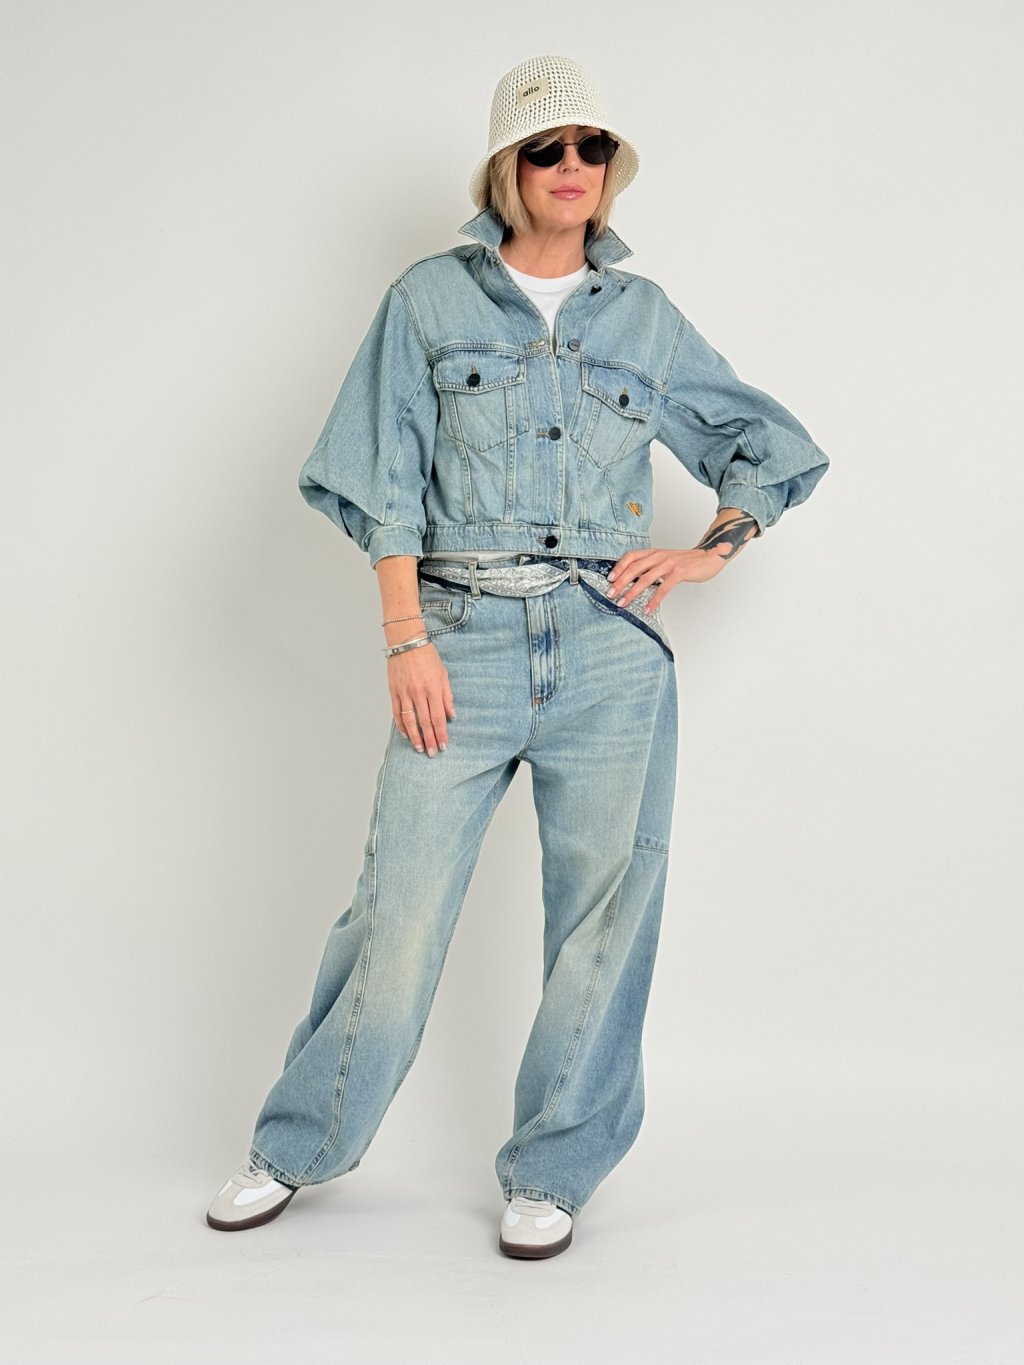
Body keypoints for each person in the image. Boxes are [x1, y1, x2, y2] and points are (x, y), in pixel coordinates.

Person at [205, 53, 829, 1259]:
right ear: (507, 168)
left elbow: (768, 449)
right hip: (461, 640)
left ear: (610, 168)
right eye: (547, 148)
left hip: (610, 652)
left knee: (604, 921)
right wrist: (405, 637)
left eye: (592, 147)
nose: (572, 167)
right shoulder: (429, 302)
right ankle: (298, 1144)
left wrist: (709, 550)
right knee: (396, 913)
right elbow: (381, 477)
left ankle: (553, 1170)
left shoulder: (642, 318)